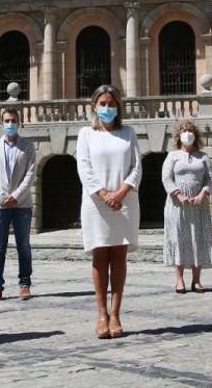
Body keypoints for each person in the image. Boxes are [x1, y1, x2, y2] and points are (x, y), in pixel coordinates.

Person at [76, 85, 142, 340]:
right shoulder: (86, 134)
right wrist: (104, 194)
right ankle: (101, 314)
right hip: (96, 203)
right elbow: (84, 168)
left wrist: (121, 192)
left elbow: (136, 167)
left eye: (111, 103)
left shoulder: (128, 132)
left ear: (118, 107)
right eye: (102, 103)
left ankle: (116, 314)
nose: (106, 108)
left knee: (119, 256)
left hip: (125, 201)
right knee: (99, 257)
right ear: (94, 106)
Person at [0, 107, 36, 301]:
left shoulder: (28, 146)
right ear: (1, 123)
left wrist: (15, 195)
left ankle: (24, 284)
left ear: (19, 123)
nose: (10, 124)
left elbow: (30, 174)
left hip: (22, 204)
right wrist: (2, 195)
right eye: (7, 120)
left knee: (23, 245)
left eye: (13, 120)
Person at [161, 120, 212, 293]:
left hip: (198, 205)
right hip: (176, 205)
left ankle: (196, 280)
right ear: (178, 135)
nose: (187, 133)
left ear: (196, 134)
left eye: (190, 130)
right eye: (184, 130)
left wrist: (202, 195)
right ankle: (179, 280)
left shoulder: (203, 157)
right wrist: (179, 195)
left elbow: (210, 180)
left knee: (197, 239)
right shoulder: (172, 156)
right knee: (178, 238)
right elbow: (166, 178)